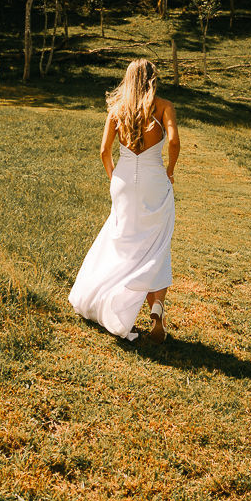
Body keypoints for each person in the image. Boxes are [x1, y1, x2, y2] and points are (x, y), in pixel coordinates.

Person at [68, 58, 180, 342]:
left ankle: (109, 299)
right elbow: (175, 142)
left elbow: (105, 150)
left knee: (123, 242)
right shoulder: (164, 106)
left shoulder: (117, 110)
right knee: (157, 243)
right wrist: (170, 170)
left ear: (128, 79)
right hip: (154, 180)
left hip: (124, 179)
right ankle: (156, 306)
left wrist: (114, 178)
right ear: (153, 79)